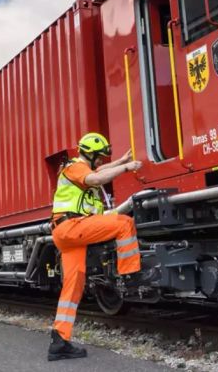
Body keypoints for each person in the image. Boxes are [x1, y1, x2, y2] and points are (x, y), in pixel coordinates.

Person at [47, 132, 157, 361]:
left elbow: (97, 173)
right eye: (99, 157)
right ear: (90, 153)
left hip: (67, 232)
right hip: (73, 226)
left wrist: (120, 162)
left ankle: (59, 341)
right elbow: (96, 179)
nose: (101, 161)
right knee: (124, 223)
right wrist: (128, 168)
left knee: (73, 287)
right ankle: (130, 276)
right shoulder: (75, 166)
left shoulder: (82, 169)